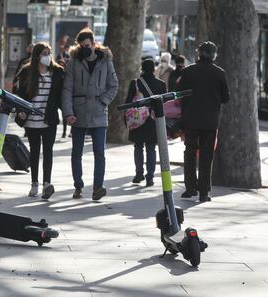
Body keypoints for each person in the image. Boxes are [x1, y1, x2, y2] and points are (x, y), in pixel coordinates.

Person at [62, 27, 119, 201]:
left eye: (87, 45)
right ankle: (78, 186)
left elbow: (114, 85)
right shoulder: (74, 63)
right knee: (76, 153)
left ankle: (97, 187)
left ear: (94, 44)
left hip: (99, 112)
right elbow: (67, 89)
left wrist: (103, 101)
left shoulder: (106, 62)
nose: (85, 49)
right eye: (81, 46)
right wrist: (68, 113)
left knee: (99, 152)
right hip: (78, 112)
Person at [178, 41, 230, 202]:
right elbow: (225, 98)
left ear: (198, 54)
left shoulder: (187, 72)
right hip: (210, 121)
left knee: (190, 153)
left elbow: (179, 94)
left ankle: (190, 188)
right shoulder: (219, 73)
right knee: (207, 155)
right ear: (214, 55)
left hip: (191, 120)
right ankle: (203, 191)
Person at [15, 42, 64, 199]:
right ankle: (34, 183)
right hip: (31, 120)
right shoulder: (27, 72)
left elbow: (61, 97)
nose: (47, 56)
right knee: (34, 152)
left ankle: (47, 184)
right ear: (36, 56)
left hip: (49, 119)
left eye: (49, 53)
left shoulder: (57, 72)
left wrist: (69, 113)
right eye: (44, 53)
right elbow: (20, 95)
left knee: (48, 151)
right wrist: (21, 111)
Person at [126, 59, 167, 187]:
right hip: (154, 120)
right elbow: (164, 103)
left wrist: (126, 120)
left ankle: (139, 174)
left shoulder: (135, 83)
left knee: (138, 146)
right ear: (154, 69)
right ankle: (150, 177)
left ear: (142, 69)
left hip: (138, 119)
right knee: (151, 148)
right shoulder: (161, 84)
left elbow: (128, 102)